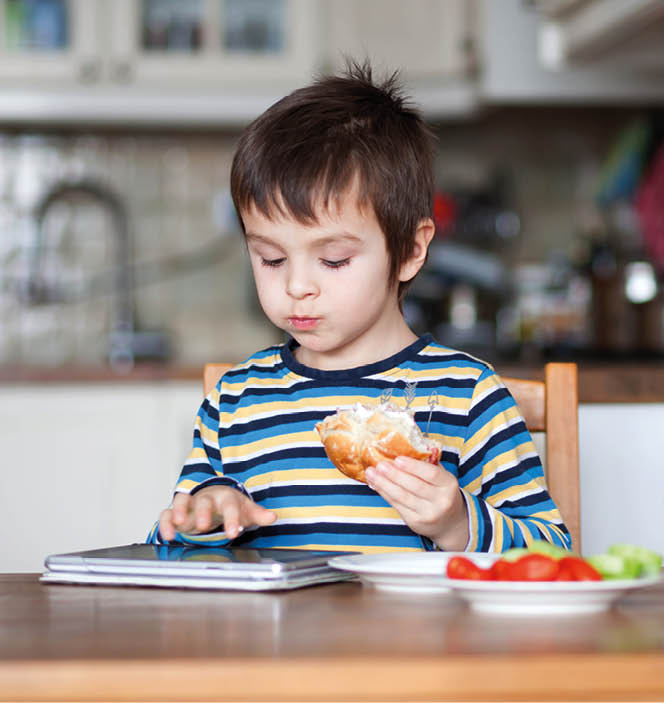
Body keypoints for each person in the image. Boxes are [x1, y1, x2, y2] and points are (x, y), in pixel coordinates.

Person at [147, 61, 570, 553]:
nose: (298, 286)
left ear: (411, 250)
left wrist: (459, 523)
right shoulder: (235, 403)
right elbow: (167, 548)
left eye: (333, 259)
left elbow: (553, 552)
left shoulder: (467, 396)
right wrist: (207, 517)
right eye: (271, 258)